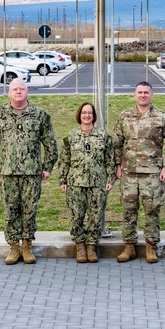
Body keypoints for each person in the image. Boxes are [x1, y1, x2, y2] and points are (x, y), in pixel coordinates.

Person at [0, 78, 57, 265]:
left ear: (27, 92)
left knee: (29, 210)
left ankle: (27, 245)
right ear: (9, 92)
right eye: (15, 89)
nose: (18, 92)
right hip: (7, 172)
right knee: (10, 211)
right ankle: (13, 247)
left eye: (21, 89)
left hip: (32, 173)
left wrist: (47, 167)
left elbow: (50, 144)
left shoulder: (40, 115)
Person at [113, 81, 165, 264]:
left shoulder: (161, 117)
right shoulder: (125, 116)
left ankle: (151, 246)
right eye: (139, 92)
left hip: (152, 173)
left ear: (152, 95)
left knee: (152, 210)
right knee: (128, 210)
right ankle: (129, 246)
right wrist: (117, 164)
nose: (143, 95)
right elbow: (117, 142)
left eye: (146, 92)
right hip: (128, 172)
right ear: (134, 95)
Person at [57, 102, 115, 264]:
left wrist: (110, 179)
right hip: (75, 182)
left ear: (94, 116)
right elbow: (64, 160)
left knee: (96, 217)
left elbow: (109, 159)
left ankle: (91, 246)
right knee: (77, 216)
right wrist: (62, 179)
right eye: (84, 113)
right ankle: (80, 246)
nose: (87, 115)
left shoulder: (103, 136)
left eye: (90, 113)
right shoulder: (71, 136)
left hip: (98, 183)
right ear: (79, 115)